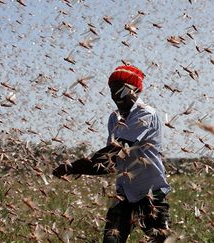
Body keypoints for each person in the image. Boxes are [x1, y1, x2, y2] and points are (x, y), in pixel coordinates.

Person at [53, 65, 171, 243]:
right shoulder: (114, 118)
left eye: (122, 89)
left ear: (136, 90)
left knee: (158, 239)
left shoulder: (145, 114)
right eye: (112, 89)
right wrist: (83, 168)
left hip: (151, 193)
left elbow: (116, 152)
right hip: (123, 193)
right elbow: (110, 163)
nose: (116, 94)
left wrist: (74, 167)